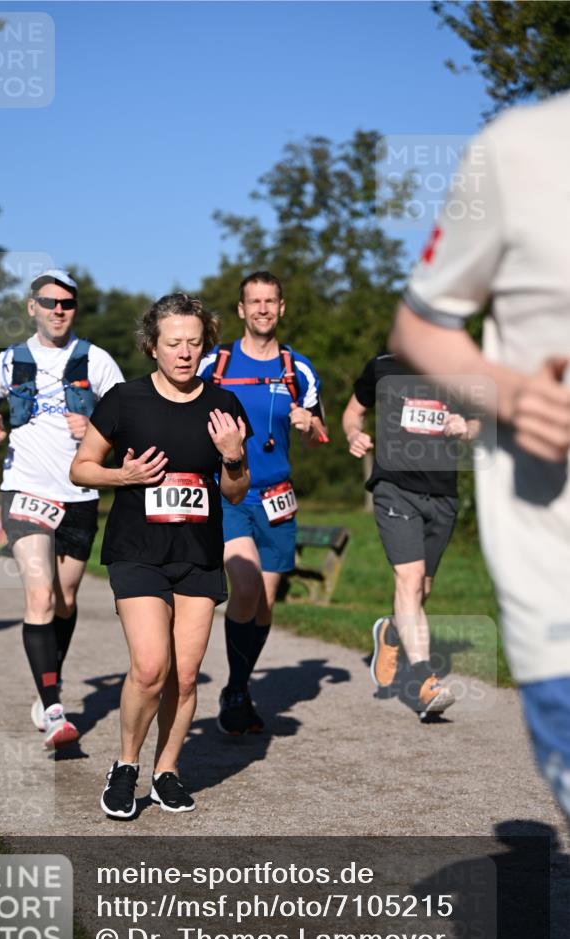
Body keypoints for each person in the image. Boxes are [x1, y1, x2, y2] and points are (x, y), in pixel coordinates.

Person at [391, 94, 570, 939]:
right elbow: (420, 324)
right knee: (410, 585)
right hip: (559, 582)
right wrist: (506, 393)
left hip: (445, 495)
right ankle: (417, 675)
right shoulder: (521, 150)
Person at [70, 292, 251, 818]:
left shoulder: (224, 405)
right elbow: (81, 468)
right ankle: (126, 765)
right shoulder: (124, 400)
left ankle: (166, 770)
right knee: (151, 667)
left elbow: (236, 492)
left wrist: (233, 458)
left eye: (194, 343)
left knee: (186, 675)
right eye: (173, 343)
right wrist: (122, 475)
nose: (184, 352)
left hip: (198, 553)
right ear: (153, 346)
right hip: (138, 550)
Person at [0, 269, 125, 749]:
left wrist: (95, 427)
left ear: (75, 308)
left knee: (65, 599)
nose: (58, 310)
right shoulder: (8, 361)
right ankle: (55, 711)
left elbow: (129, 420)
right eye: (50, 302)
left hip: (79, 495)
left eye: (67, 303)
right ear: (31, 306)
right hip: (26, 490)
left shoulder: (96, 361)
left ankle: (46, 683)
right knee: (40, 596)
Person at [198, 271, 328, 735]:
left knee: (265, 602)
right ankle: (236, 691)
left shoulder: (298, 369)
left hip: (278, 499)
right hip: (229, 492)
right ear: (241, 310)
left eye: (270, 301)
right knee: (247, 586)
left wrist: (309, 426)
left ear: (281, 307)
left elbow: (319, 436)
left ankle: (239, 686)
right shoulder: (214, 363)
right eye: (254, 302)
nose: (262, 309)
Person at [343, 354, 480, 719]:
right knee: (410, 577)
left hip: (443, 494)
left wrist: (465, 428)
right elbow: (353, 412)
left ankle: (391, 631)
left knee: (423, 589)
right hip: (395, 488)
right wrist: (354, 434)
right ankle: (424, 681)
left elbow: (479, 422)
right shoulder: (383, 366)